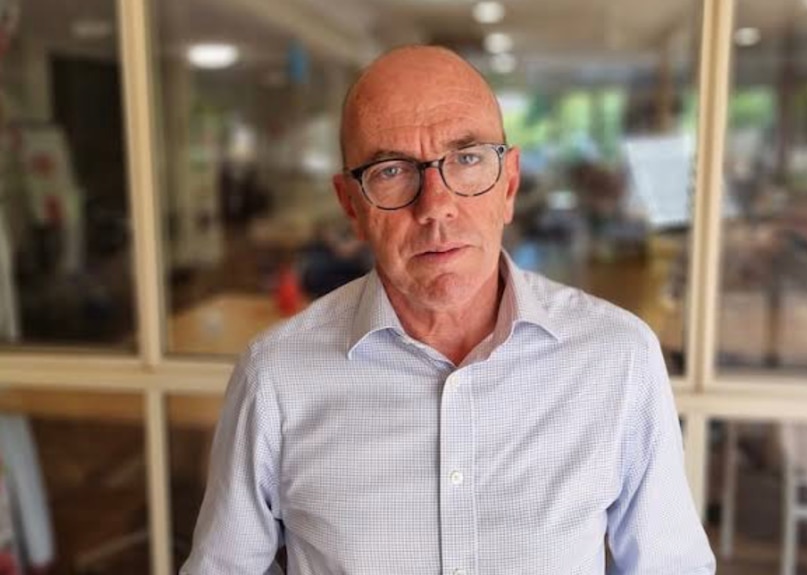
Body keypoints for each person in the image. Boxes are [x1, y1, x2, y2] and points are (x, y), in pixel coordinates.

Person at [181, 45, 716, 574]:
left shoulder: (616, 358)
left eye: (466, 159)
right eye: (392, 170)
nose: (435, 205)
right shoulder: (276, 377)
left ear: (508, 185)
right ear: (351, 206)